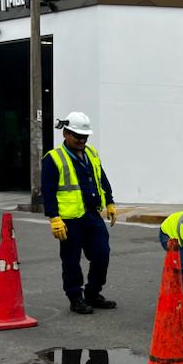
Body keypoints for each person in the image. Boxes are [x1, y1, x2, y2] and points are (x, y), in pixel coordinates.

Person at [41, 111, 117, 314]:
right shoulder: (53, 159)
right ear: (66, 133)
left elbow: (102, 178)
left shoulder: (91, 153)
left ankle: (92, 293)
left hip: (91, 214)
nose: (82, 140)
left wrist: (109, 202)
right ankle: (75, 297)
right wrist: (54, 218)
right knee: (71, 260)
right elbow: (47, 192)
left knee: (102, 254)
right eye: (77, 136)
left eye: (85, 137)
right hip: (69, 219)